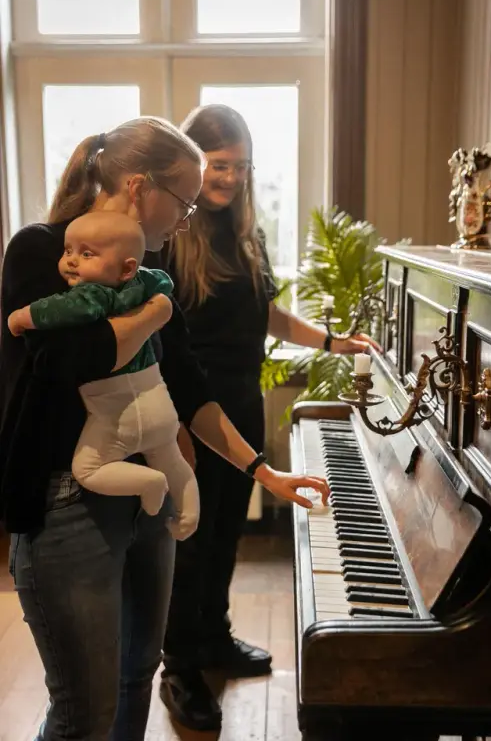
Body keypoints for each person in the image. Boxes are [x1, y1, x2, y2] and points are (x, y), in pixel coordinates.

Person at [0, 116, 329, 741]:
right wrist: (153, 314)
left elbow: (190, 389)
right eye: (184, 200)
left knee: (135, 676)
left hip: (145, 497)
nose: (189, 216)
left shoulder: (150, 271)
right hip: (65, 509)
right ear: (138, 187)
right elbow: (69, 360)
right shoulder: (43, 250)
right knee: (83, 712)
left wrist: (264, 470)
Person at [159, 104, 379, 732]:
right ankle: (180, 667)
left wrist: (335, 342)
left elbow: (268, 315)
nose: (229, 178)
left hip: (242, 404)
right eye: (218, 165)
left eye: (241, 166)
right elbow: (161, 347)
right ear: (194, 164)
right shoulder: (175, 235)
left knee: (227, 529)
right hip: (191, 413)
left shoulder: (246, 232)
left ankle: (215, 636)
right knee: (192, 543)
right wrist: (173, 427)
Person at [7, 211, 199, 540]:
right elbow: (163, 282)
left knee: (88, 469)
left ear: (125, 267)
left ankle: (148, 482)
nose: (70, 261)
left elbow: (64, 309)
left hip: (116, 413)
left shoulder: (94, 293)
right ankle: (189, 515)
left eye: (86, 254)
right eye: (68, 251)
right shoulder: (146, 282)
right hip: (158, 405)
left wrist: (23, 316)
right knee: (172, 461)